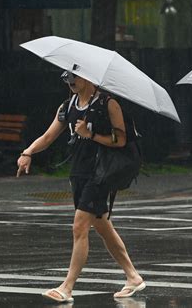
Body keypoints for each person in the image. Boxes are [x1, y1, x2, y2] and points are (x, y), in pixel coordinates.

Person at [17, 72, 145, 303]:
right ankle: (133, 277)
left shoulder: (109, 104)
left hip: (101, 173)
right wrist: (28, 153)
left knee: (79, 226)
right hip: (79, 172)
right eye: (67, 78)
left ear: (88, 77)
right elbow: (48, 137)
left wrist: (90, 134)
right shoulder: (67, 106)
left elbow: (121, 140)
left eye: (75, 77)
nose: (71, 82)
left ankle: (67, 287)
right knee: (102, 226)